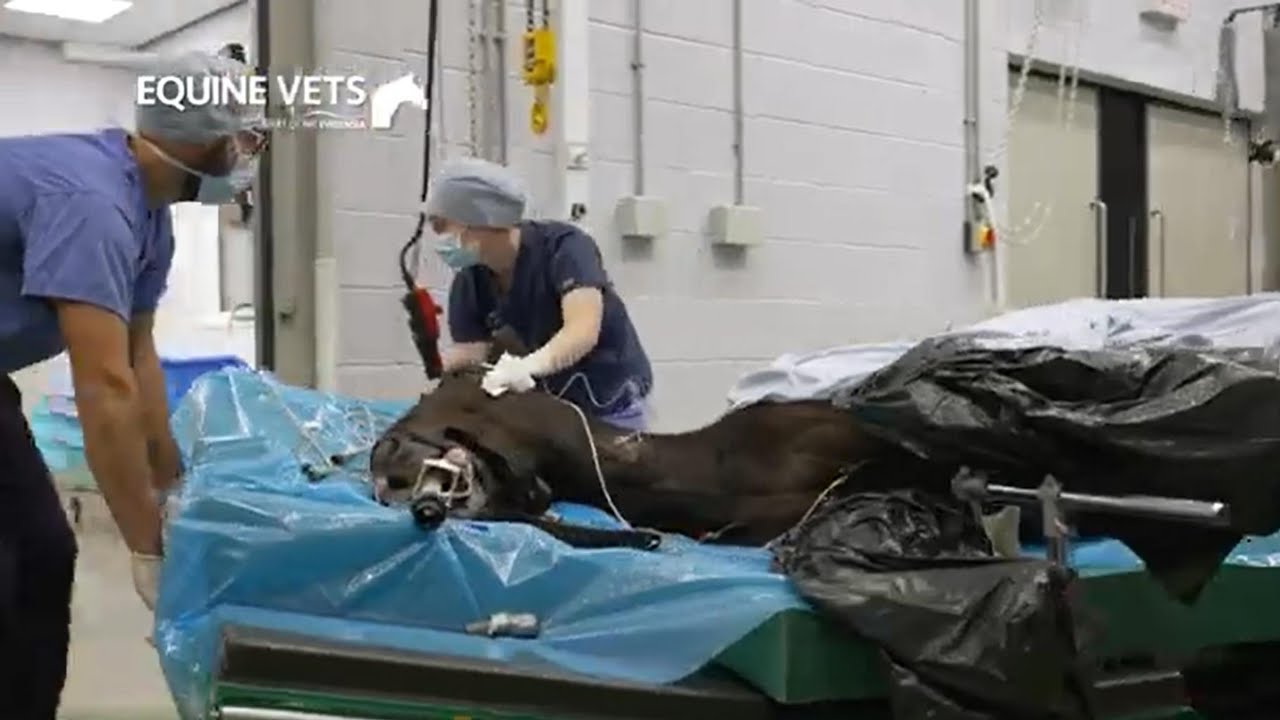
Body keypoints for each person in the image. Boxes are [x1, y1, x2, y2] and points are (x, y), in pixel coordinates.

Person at [0, 50, 263, 717]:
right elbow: (105, 389)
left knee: (40, 553)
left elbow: (139, 357)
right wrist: (145, 547)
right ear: (202, 137)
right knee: (19, 559)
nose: (247, 155)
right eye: (243, 138)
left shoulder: (150, 215)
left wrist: (172, 488)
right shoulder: (91, 203)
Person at [426, 158, 654, 430]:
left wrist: (527, 367)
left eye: (442, 226)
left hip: (609, 400)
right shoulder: (471, 278)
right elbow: (472, 350)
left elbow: (582, 331)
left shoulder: (565, 247)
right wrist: (441, 370)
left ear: (480, 219)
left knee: (605, 469)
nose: (440, 238)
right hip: (549, 411)